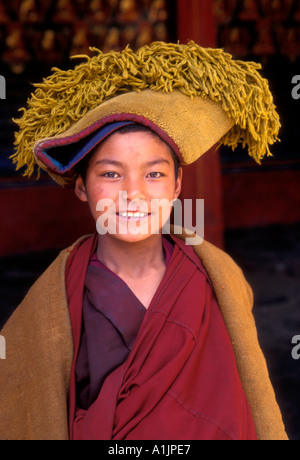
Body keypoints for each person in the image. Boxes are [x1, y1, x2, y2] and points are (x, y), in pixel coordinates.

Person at [0, 41, 288, 440]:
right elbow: (24, 409)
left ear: (177, 185)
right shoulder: (51, 302)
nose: (133, 193)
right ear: (81, 186)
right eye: (111, 174)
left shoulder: (215, 277)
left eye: (153, 174)